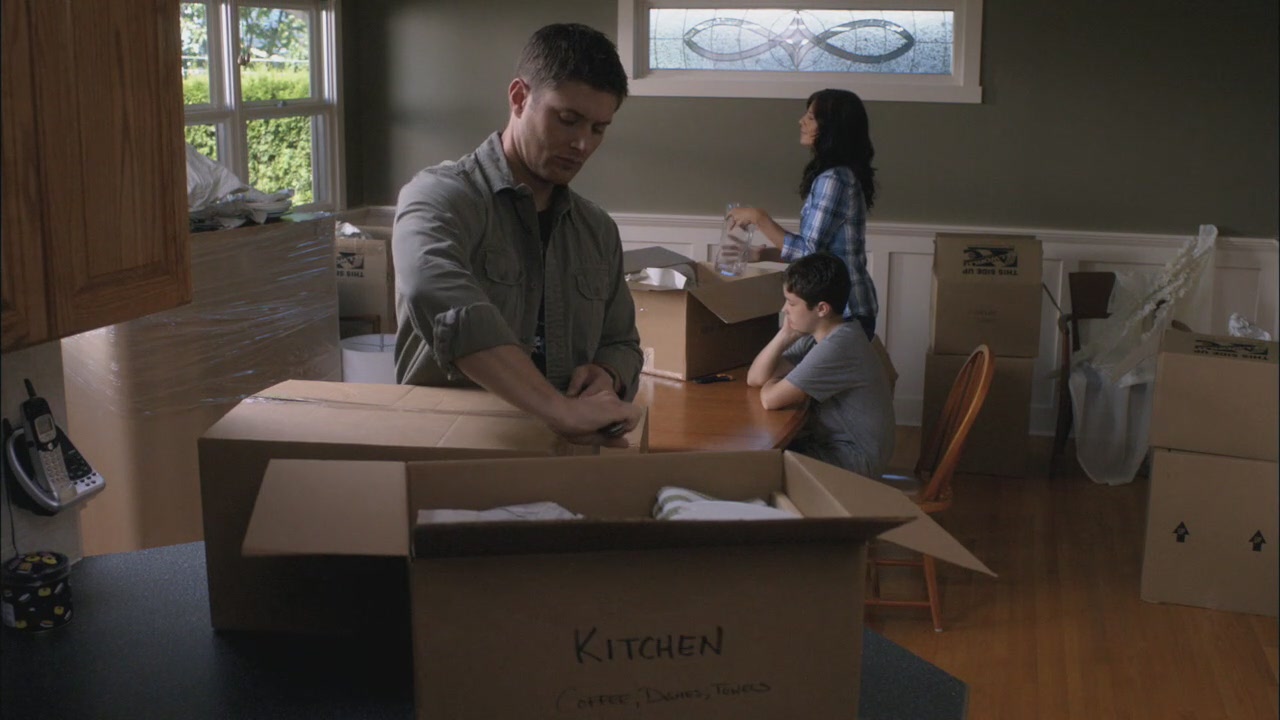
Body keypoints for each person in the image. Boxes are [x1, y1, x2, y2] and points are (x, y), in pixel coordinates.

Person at [391, 23, 643, 447]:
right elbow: (439, 297)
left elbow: (622, 342)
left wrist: (608, 373)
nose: (582, 144)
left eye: (598, 129)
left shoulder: (597, 229)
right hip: (450, 453)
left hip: (567, 455)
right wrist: (558, 408)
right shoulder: (438, 197)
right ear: (519, 98)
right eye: (568, 120)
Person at [725, 88, 879, 340]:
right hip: (832, 311)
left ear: (831, 127)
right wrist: (763, 254)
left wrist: (759, 217)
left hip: (845, 313)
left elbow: (809, 252)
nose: (801, 122)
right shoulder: (834, 176)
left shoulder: (835, 179)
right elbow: (818, 254)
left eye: (810, 117)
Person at [747, 253, 895, 478]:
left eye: (792, 303)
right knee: (761, 454)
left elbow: (771, 399)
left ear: (822, 309)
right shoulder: (819, 336)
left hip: (854, 460)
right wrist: (785, 335)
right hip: (835, 446)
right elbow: (756, 378)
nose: (785, 309)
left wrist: (780, 381)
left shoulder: (839, 346)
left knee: (756, 464)